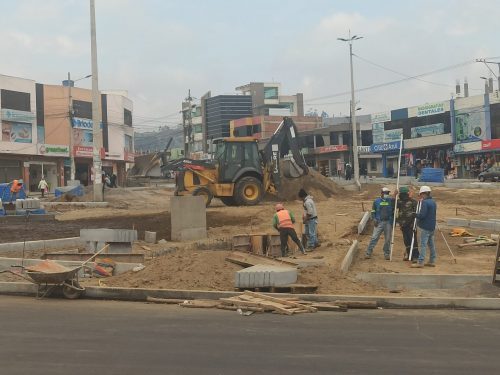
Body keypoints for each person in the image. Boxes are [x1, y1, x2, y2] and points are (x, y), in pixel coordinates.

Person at [365, 187, 395, 260]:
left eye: (388, 193)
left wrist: (395, 194)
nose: (387, 194)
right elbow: (373, 211)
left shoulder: (391, 201)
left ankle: (386, 253)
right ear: (381, 193)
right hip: (379, 222)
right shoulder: (376, 201)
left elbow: (395, 204)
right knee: (374, 237)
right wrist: (374, 219)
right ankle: (368, 252)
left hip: (388, 222)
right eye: (385, 193)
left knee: (388, 239)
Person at [412, 186, 437, 268]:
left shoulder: (425, 203)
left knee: (423, 244)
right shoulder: (433, 202)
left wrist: (415, 214)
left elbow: (422, 215)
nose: (421, 196)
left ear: (424, 194)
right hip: (432, 227)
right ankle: (432, 261)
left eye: (421, 194)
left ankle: (420, 262)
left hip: (424, 227)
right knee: (431, 245)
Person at [396, 186, 419, 262]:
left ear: (407, 193)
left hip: (411, 225)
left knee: (413, 241)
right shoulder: (399, 202)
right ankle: (409, 255)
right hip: (403, 225)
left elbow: (416, 214)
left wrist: (413, 224)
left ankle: (415, 256)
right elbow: (393, 204)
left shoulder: (413, 202)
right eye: (401, 194)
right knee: (406, 241)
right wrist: (394, 195)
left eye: (403, 194)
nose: (402, 195)